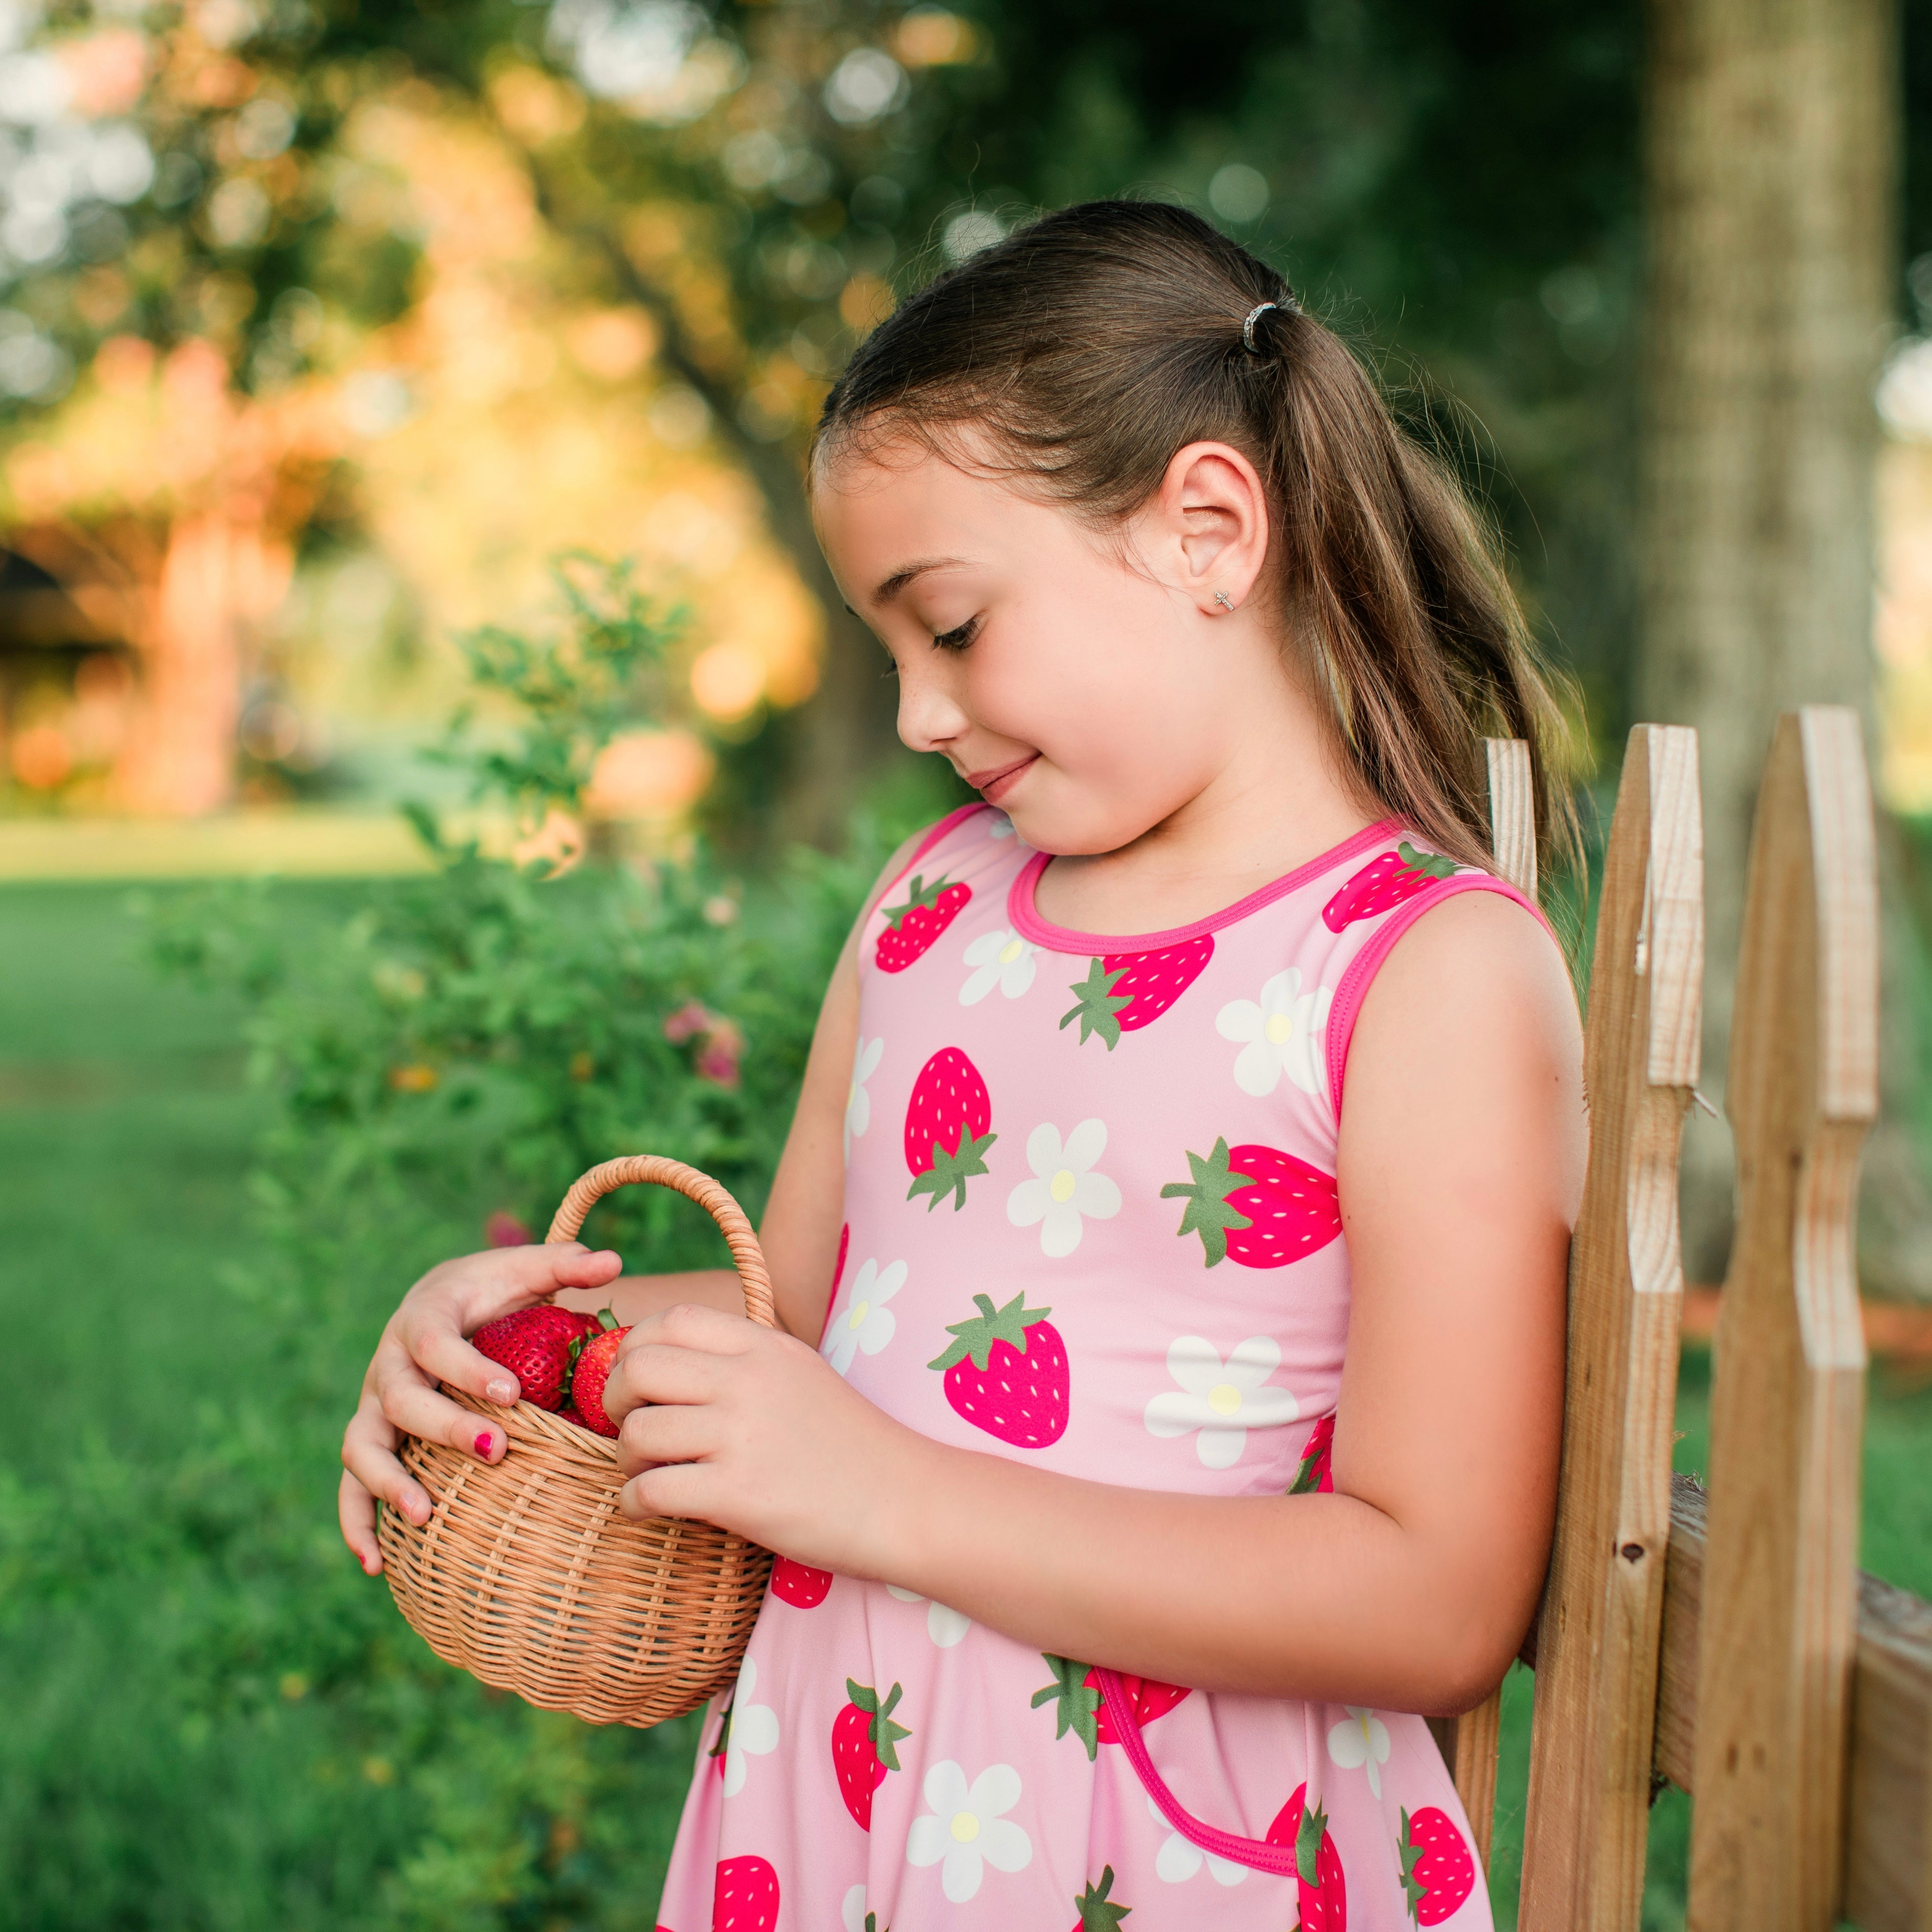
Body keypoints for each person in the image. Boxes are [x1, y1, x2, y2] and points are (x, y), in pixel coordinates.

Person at [339, 200, 1584, 1930]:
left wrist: (882, 1492)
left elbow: (1432, 1594)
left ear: (1205, 529)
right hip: (842, 1791)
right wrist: (516, 1343)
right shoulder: (932, 905)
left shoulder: (1419, 965)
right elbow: (807, 1318)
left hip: (1157, 1856)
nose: (920, 714)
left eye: (953, 626)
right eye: (892, 652)